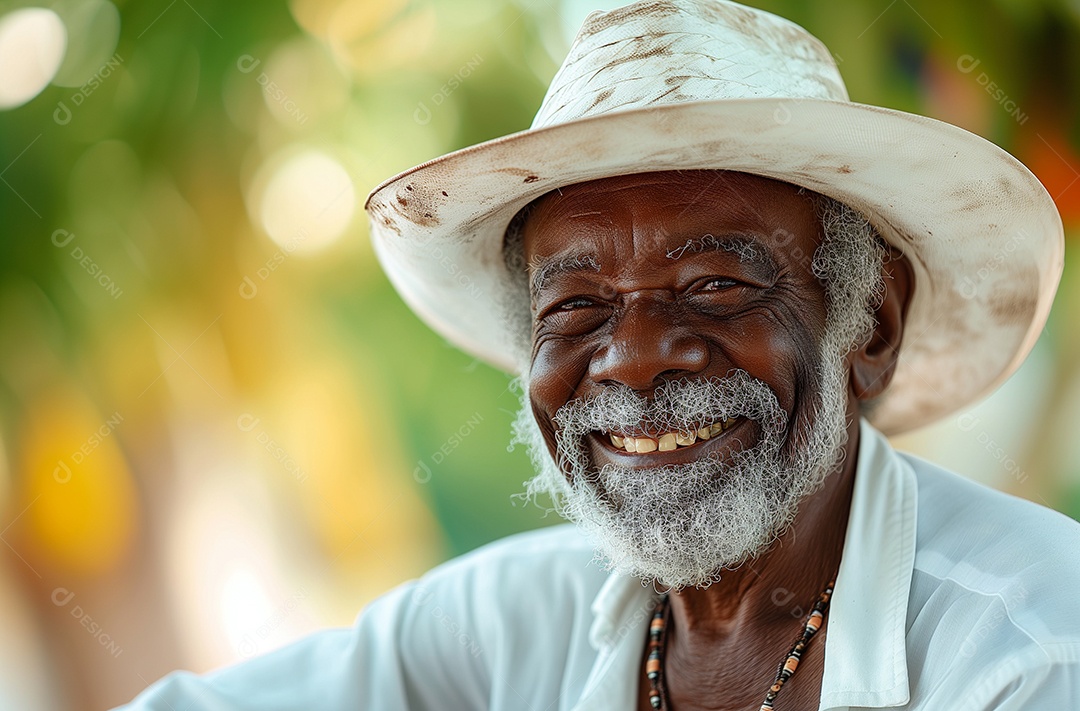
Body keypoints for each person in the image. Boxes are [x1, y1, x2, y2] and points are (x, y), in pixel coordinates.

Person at [118, 0, 1080, 708]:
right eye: (576, 306)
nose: (632, 359)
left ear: (868, 325)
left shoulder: (1030, 647)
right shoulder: (502, 626)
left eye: (715, 284)